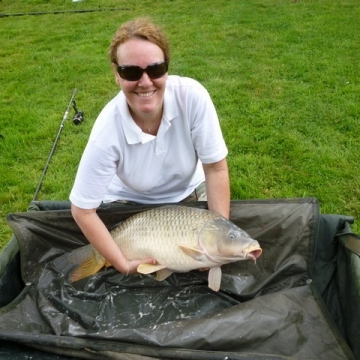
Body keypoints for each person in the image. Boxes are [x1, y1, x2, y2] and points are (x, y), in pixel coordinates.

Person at [69, 18, 230, 276]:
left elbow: (215, 169)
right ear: (116, 74)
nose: (145, 82)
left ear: (167, 68)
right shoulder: (107, 131)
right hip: (128, 202)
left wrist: (217, 239)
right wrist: (123, 265)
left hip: (186, 193)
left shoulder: (194, 97)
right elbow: (82, 210)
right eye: (131, 72)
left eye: (155, 69)